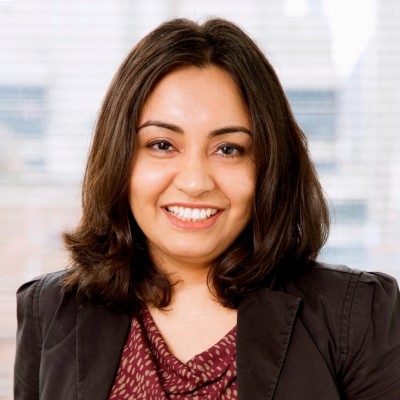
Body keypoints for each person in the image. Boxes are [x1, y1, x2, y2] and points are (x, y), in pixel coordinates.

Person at [14, 17, 400, 400]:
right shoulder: (49, 311)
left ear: (268, 166)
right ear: (119, 159)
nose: (195, 182)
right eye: (162, 145)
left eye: (228, 149)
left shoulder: (358, 315)